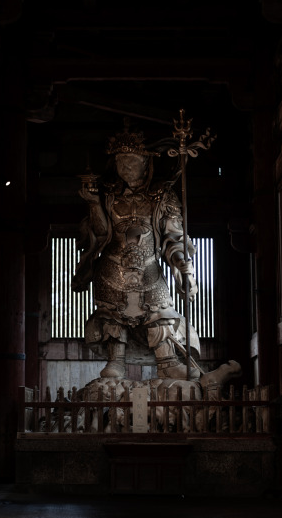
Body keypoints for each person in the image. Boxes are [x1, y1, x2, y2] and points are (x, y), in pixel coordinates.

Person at [73, 123, 201, 380]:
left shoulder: (162, 195)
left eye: (131, 162)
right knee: (113, 313)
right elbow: (100, 233)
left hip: (149, 268)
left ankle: (167, 361)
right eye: (120, 163)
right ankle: (115, 360)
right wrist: (94, 205)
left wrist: (179, 259)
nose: (125, 169)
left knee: (160, 311)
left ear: (146, 164)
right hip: (113, 266)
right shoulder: (108, 194)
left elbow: (173, 236)